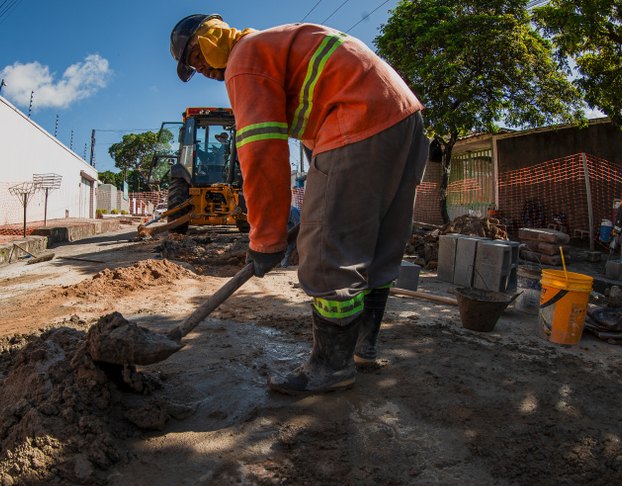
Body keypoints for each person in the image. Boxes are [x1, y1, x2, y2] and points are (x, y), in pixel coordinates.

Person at [170, 14, 429, 395]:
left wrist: (266, 241)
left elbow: (261, 155)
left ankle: (330, 366)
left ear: (209, 39)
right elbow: (312, 130)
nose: (202, 70)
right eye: (194, 67)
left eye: (196, 57)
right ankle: (363, 345)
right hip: (403, 116)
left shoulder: (244, 59)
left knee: (327, 252)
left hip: (358, 118)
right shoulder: (276, 47)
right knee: (378, 244)